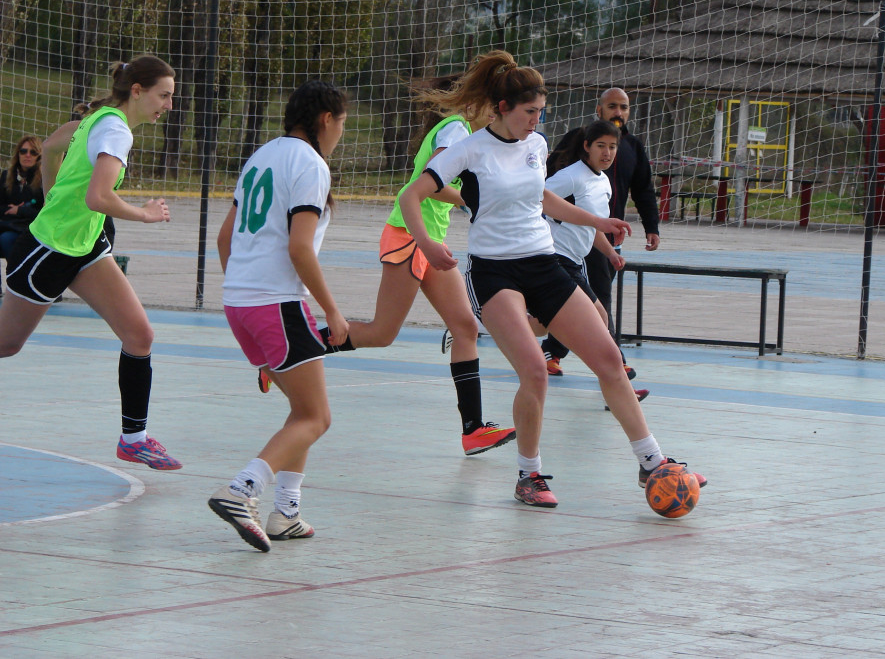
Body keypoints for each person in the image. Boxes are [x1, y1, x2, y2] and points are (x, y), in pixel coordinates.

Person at [398, 50, 705, 509]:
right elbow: (412, 194)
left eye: (540, 113)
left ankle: (651, 463)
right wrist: (425, 243)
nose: (535, 121)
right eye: (529, 112)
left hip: (543, 263)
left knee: (607, 357)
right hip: (493, 271)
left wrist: (597, 223)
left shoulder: (537, 146)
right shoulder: (470, 148)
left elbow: (542, 199)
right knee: (536, 372)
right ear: (503, 108)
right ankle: (528, 475)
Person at [261, 73, 516, 457]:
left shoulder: (463, 133)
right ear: (471, 106)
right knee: (382, 333)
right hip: (410, 237)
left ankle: (473, 428)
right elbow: (431, 178)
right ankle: (286, 350)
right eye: (492, 105)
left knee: (464, 326)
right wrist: (472, 201)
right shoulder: (457, 130)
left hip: (429, 240)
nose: (497, 114)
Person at [0, 55, 181, 470]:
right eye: (164, 96)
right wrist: (146, 213)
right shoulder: (116, 131)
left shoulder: (102, 116)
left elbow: (50, 146)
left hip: (85, 246)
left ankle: (133, 439)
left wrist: (49, 193)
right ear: (137, 91)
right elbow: (98, 197)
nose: (168, 106)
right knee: (6, 345)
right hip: (48, 249)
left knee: (140, 335)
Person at [208, 80, 349, 552]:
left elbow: (225, 240)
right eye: (343, 123)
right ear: (326, 119)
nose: (341, 133)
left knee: (302, 412)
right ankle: (241, 490)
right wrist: (331, 309)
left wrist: (246, 291)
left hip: (239, 303)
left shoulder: (260, 156)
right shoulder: (309, 164)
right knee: (317, 416)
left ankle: (286, 512)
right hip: (277, 303)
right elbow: (298, 247)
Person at [542, 87, 661, 380]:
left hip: (601, 236)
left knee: (584, 305)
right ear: (599, 109)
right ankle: (615, 363)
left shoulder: (632, 148)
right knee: (596, 304)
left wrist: (651, 228)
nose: (618, 112)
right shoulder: (575, 155)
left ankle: (553, 350)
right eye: (612, 106)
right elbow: (540, 188)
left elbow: (644, 190)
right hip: (564, 244)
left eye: (623, 107)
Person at [0, 136, 45, 292]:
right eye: (23, 151)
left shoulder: (43, 180)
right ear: (17, 154)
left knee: (7, 239)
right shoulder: (7, 176)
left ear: (39, 156)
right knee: (5, 236)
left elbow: (44, 213)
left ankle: (19, 285)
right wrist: (10, 209)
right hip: (8, 224)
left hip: (31, 229)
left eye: (32, 152)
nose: (27, 155)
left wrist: (20, 210)